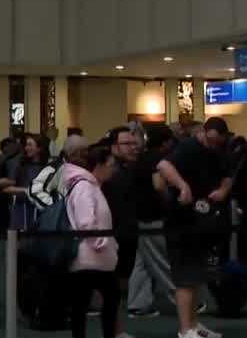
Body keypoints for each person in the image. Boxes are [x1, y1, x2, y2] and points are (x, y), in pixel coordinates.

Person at [157, 118, 233, 338]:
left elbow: (228, 176)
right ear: (203, 133)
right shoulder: (188, 147)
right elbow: (163, 166)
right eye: (211, 140)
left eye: (217, 142)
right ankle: (184, 329)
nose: (214, 145)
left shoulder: (217, 150)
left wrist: (223, 190)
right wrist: (182, 186)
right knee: (185, 278)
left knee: (197, 276)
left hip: (203, 222)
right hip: (181, 222)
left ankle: (194, 324)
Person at [62, 142, 121, 338]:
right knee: (90, 305)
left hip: (93, 258)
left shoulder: (90, 186)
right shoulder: (85, 187)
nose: (113, 170)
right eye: (110, 165)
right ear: (99, 165)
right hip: (90, 259)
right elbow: (86, 222)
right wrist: (103, 243)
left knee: (85, 306)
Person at [128, 125, 183, 319]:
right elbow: (159, 185)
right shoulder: (156, 160)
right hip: (154, 217)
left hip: (140, 216)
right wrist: (171, 198)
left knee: (141, 263)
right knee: (163, 261)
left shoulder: (141, 158)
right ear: (166, 142)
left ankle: (137, 304)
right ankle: (183, 299)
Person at [101, 123, 143, 337]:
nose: (133, 147)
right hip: (110, 237)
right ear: (114, 147)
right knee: (111, 290)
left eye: (134, 143)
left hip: (128, 235)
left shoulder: (130, 170)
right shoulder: (107, 174)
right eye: (127, 144)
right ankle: (114, 332)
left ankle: (118, 330)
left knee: (120, 288)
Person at [0, 133, 51, 230]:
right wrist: (27, 190)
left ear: (39, 148)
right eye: (26, 145)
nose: (26, 148)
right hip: (22, 209)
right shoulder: (20, 166)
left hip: (41, 210)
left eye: (30, 145)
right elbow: (6, 188)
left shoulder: (48, 167)